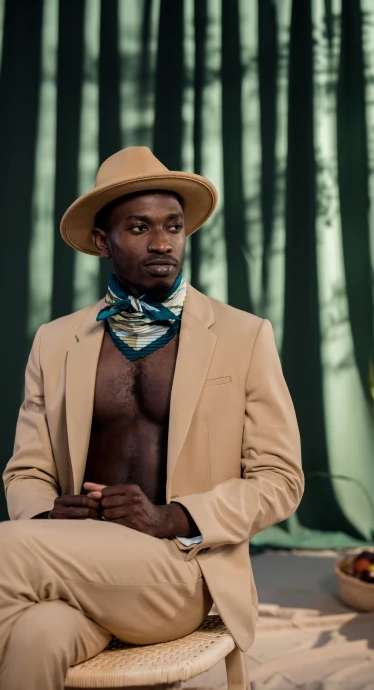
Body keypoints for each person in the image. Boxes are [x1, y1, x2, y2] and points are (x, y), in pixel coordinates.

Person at [1, 146, 304, 690]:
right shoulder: (54, 342)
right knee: (34, 640)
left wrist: (174, 517)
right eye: (139, 227)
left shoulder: (243, 336)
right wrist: (46, 517)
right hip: (70, 564)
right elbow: (25, 471)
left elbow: (281, 480)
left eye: (173, 226)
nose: (162, 243)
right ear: (102, 241)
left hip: (179, 572)